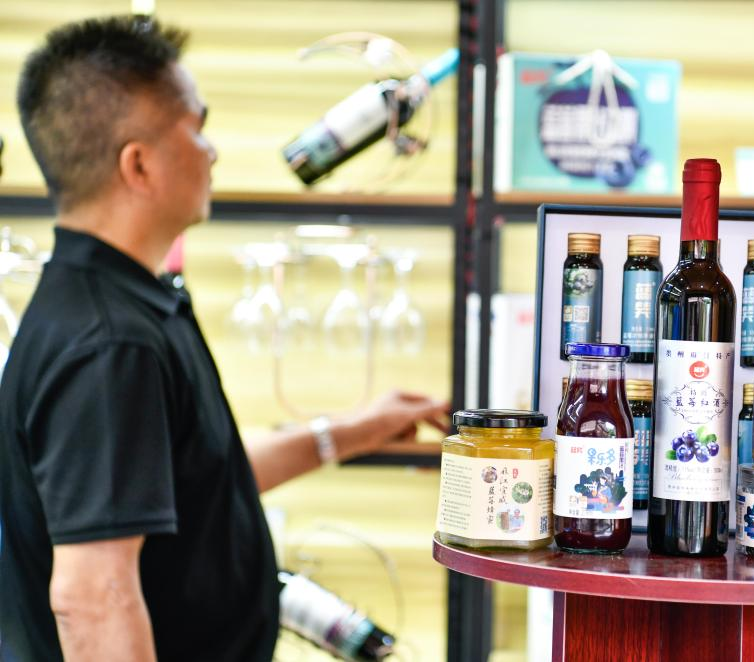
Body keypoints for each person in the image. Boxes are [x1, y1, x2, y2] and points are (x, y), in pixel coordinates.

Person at [0, 15, 448, 662]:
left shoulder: (131, 306)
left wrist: (353, 431)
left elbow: (194, 482)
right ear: (139, 164)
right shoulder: (109, 345)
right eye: (196, 128)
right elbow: (93, 597)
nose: (210, 151)